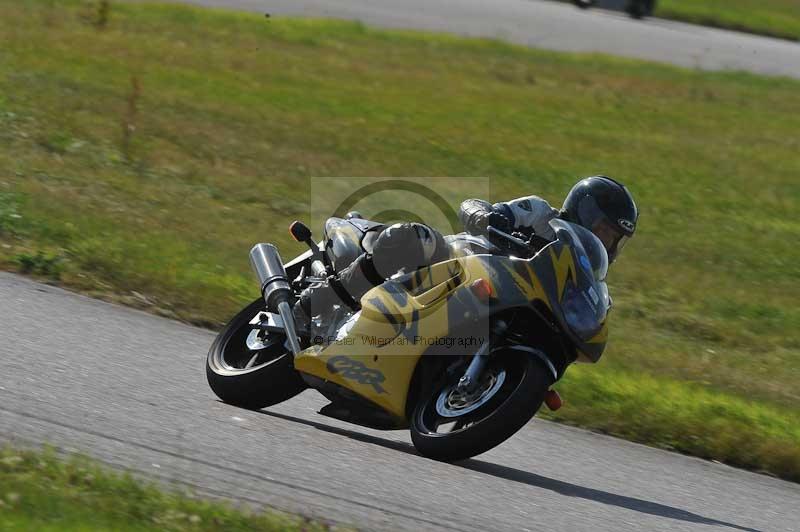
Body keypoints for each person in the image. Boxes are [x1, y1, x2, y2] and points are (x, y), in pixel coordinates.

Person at [293, 175, 638, 326]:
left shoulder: (581, 275)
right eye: (603, 230)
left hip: (497, 301)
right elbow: (477, 206)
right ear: (584, 210)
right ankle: (320, 299)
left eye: (613, 239)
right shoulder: (540, 214)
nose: (605, 242)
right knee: (410, 237)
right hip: (459, 260)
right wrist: (486, 216)